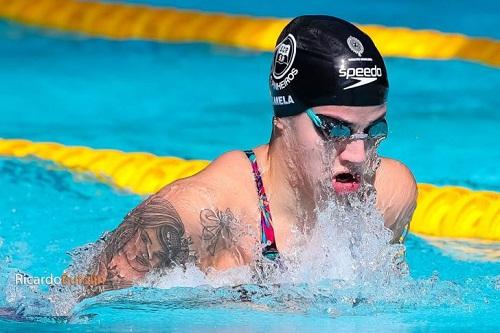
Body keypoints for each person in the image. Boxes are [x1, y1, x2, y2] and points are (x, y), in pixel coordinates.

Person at [86, 15, 417, 294]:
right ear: (284, 118)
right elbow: (72, 312)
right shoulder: (189, 216)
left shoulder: (387, 194)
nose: (358, 155)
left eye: (373, 130)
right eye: (334, 129)